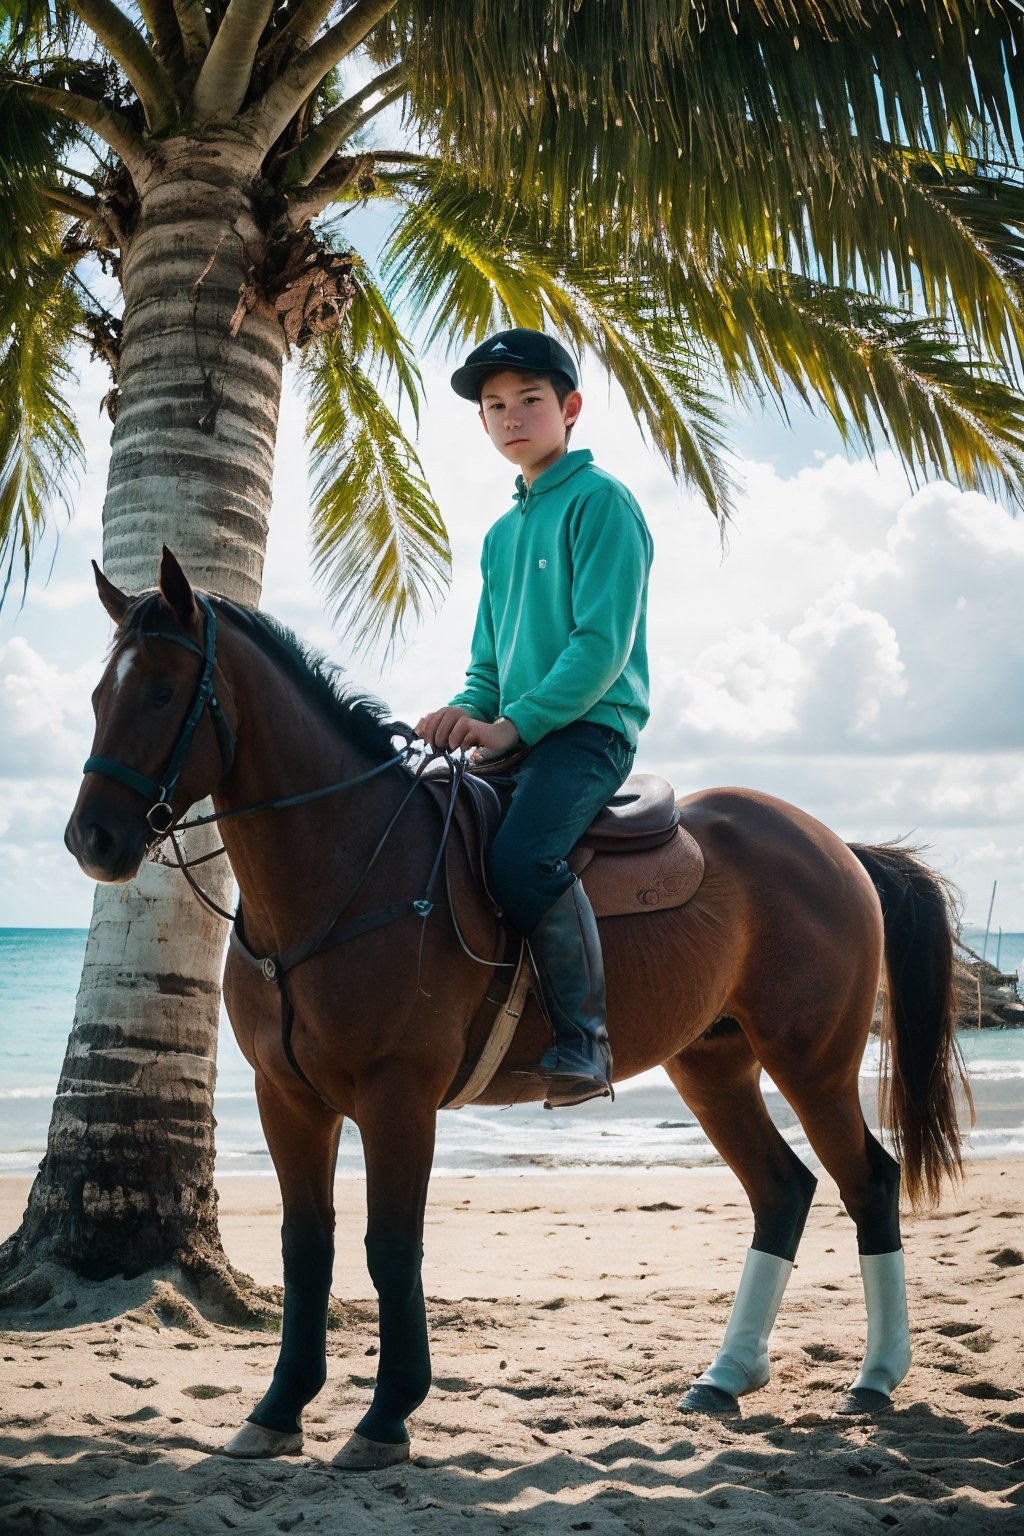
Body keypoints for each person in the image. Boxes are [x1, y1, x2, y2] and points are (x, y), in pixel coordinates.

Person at [415, 328, 654, 1107]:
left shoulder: (602, 503)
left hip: (589, 732)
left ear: (570, 408)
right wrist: (465, 713)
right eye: (494, 407)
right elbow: (488, 661)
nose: (511, 417)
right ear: (482, 424)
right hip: (520, 729)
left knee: (520, 861)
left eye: (529, 401)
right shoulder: (500, 533)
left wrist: (512, 726)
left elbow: (600, 646)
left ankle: (584, 1044)